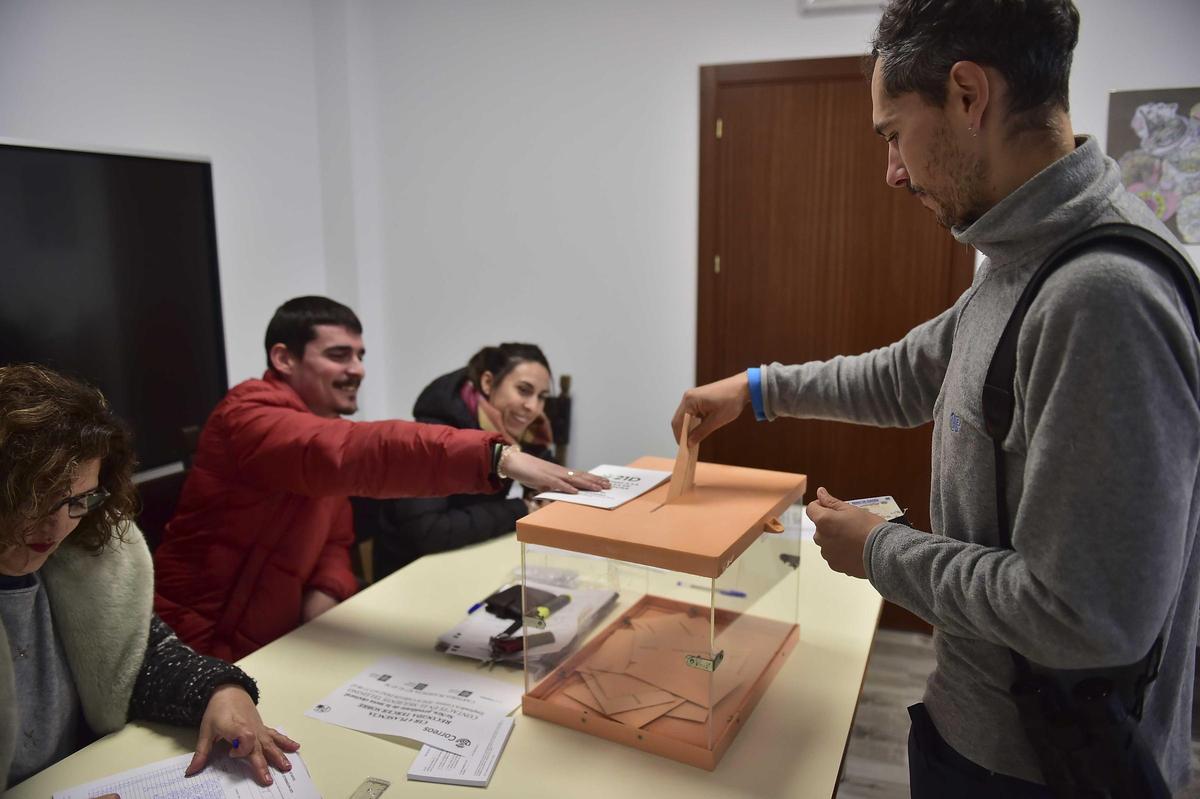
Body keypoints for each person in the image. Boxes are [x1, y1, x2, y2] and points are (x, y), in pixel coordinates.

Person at [672, 1, 1199, 795]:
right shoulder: (1025, 258)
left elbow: (1084, 616)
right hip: (976, 728)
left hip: (1038, 768)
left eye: (892, 133)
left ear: (966, 95)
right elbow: (906, 374)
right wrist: (755, 389)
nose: (892, 170)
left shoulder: (1101, 299)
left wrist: (879, 550)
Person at [154, 297, 605, 661]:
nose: (358, 369)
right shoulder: (248, 417)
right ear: (283, 359)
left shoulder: (317, 420)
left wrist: (325, 595)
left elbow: (333, 539)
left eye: (360, 355)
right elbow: (350, 452)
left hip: (282, 641)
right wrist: (496, 457)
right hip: (199, 645)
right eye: (338, 355)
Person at [0, 364, 296, 791]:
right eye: (35, 502)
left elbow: (140, 659)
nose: (57, 527)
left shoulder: (82, 556)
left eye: (79, 500)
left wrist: (222, 690)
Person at [353, 343, 557, 580]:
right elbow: (429, 531)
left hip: (468, 562)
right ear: (488, 383)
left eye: (541, 397)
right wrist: (522, 508)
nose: (533, 407)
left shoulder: (524, 433)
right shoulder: (433, 434)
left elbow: (548, 487)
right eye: (523, 390)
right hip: (411, 576)